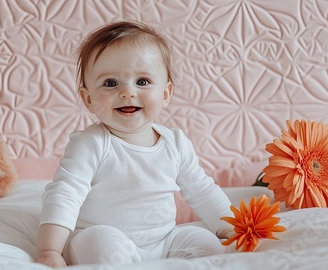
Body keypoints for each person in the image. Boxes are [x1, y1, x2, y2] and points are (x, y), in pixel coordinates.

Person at [36, 21, 233, 268]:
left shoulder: (176, 144)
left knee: (208, 246)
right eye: (110, 83)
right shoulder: (91, 143)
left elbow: (201, 191)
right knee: (105, 249)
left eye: (142, 82)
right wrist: (50, 250)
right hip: (102, 235)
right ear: (88, 99)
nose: (127, 92)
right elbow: (66, 193)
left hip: (164, 240)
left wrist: (231, 227)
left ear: (165, 94)